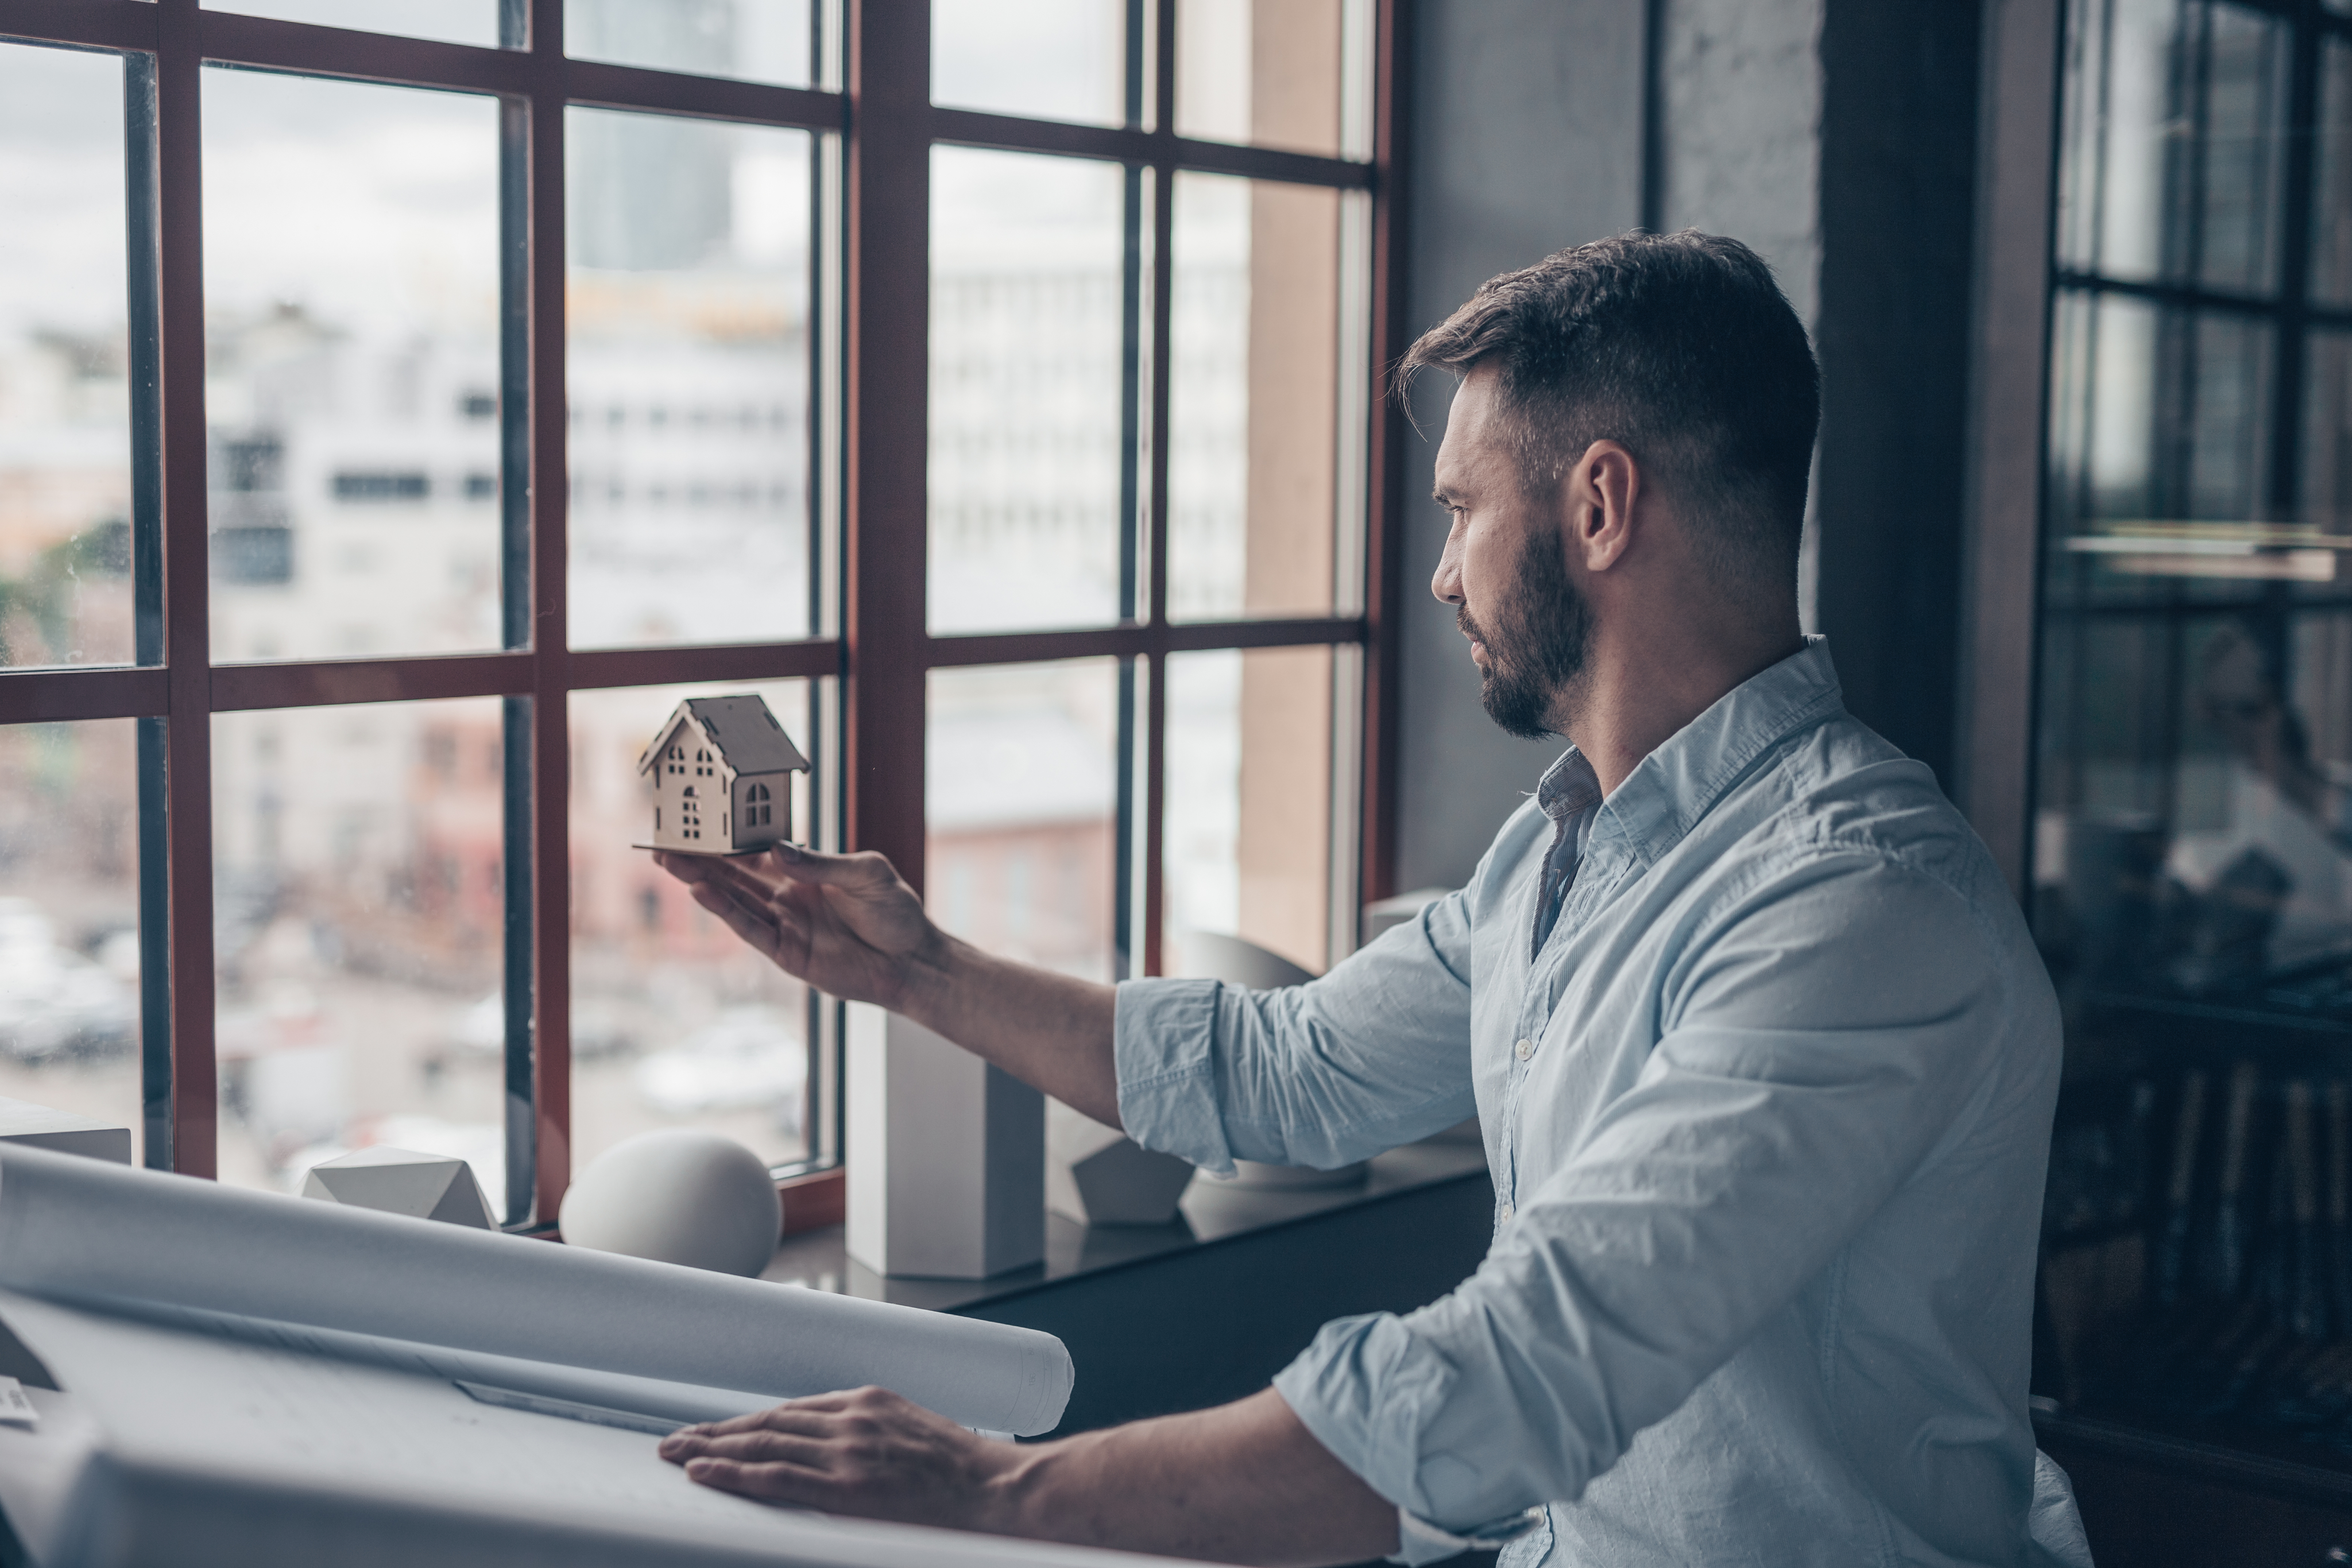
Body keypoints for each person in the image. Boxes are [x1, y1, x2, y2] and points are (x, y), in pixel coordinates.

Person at [653, 231, 2090, 1568]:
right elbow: (1281, 1072)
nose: (1439, 570)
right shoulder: (1558, 853)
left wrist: (990, 1489)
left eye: (1462, 509)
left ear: (1598, 505)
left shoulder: (1859, 912)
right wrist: (914, 969)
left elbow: (1525, 1368)